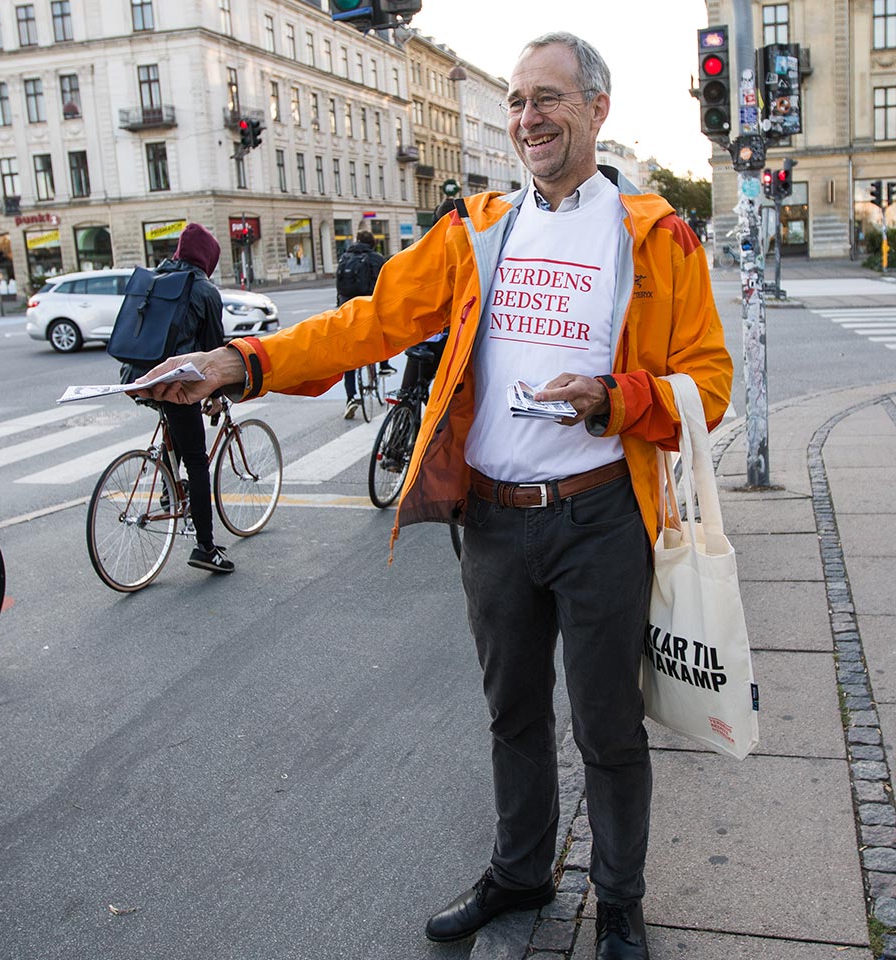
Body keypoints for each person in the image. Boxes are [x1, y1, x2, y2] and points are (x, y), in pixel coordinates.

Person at [139, 33, 731, 960]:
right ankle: (522, 873)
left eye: (549, 99)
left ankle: (619, 901)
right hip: (492, 519)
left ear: (597, 110)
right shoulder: (478, 228)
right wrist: (238, 363)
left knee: (608, 724)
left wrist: (617, 399)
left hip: (601, 515)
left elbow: (709, 380)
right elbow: (368, 323)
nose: (527, 118)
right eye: (518, 102)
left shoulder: (654, 234)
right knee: (513, 715)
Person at [133, 222, 235, 573]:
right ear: (208, 257)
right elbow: (214, 353)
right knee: (197, 460)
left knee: (175, 432)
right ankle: (206, 547)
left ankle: (169, 485)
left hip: (139, 377)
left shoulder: (157, 278)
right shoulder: (204, 290)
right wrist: (217, 396)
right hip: (178, 385)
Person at [334, 229, 390, 420]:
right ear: (373, 243)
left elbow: (339, 286)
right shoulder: (376, 258)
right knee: (382, 332)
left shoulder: (345, 257)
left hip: (347, 310)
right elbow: (387, 285)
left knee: (350, 356)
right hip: (368, 310)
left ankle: (351, 397)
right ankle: (384, 364)